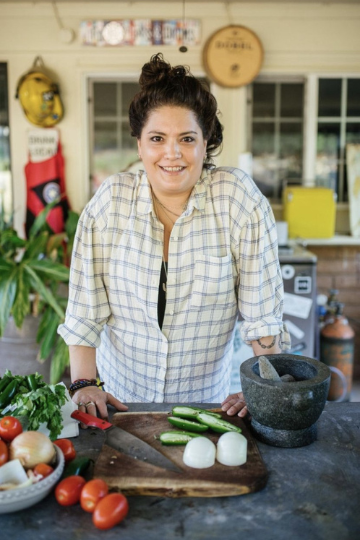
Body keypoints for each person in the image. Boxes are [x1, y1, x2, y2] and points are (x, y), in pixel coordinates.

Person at [58, 53, 290, 421]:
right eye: (157, 138)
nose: (172, 153)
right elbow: (84, 310)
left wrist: (265, 384)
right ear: (139, 146)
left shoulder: (236, 200)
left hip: (206, 405)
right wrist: (82, 384)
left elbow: (262, 314)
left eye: (186, 138)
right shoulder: (110, 202)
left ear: (205, 141)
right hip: (121, 403)